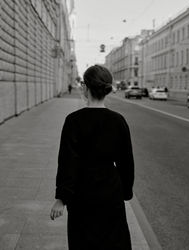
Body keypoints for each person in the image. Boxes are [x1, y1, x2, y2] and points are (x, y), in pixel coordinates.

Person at [50, 65, 135, 250]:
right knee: (113, 242)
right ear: (106, 89)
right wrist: (126, 191)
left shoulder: (73, 120)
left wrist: (62, 198)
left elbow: (67, 162)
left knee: (82, 241)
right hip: (110, 192)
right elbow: (126, 162)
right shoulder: (118, 120)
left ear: (85, 87)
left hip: (82, 193)